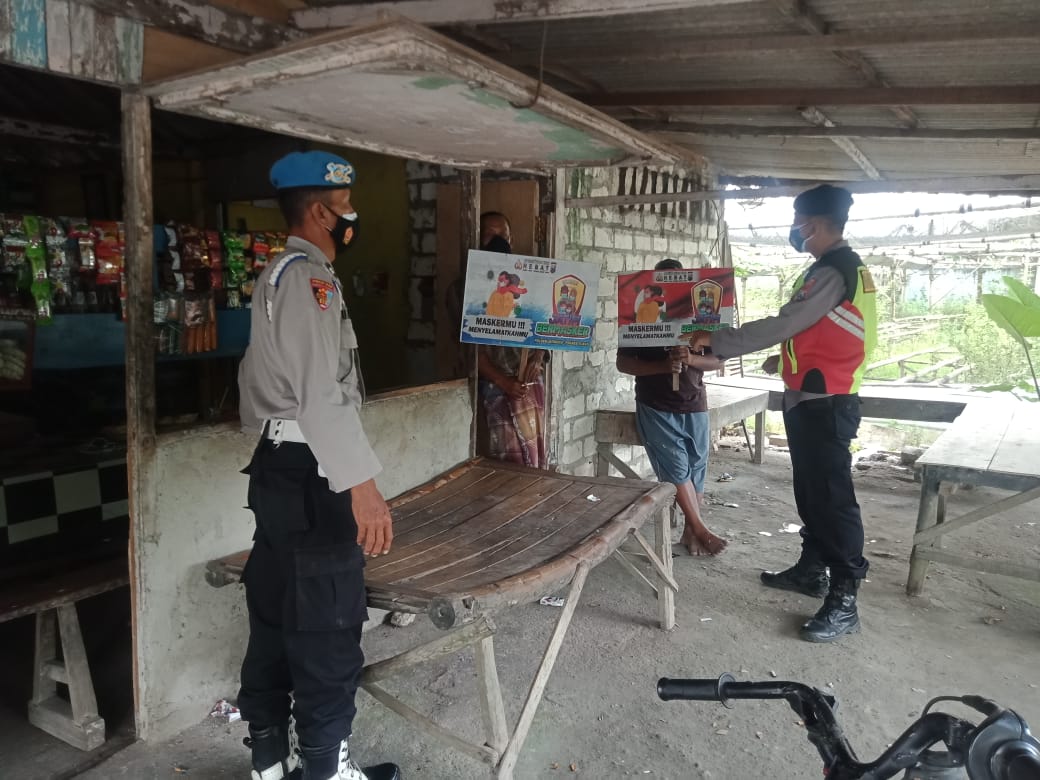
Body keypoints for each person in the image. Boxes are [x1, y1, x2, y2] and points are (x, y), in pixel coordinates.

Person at [236, 150, 400, 780]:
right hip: (313, 472)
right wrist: (362, 487)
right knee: (326, 624)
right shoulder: (308, 279)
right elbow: (319, 395)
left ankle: (269, 764)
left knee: (276, 616)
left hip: (281, 466)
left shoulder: (277, 274)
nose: (352, 216)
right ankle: (328, 771)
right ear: (319, 212)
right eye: (345, 205)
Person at [690, 184, 878, 643]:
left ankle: (845, 597)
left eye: (799, 225)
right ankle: (812, 570)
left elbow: (786, 323)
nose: (796, 232)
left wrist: (716, 340)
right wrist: (786, 359)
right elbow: (823, 329)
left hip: (826, 401)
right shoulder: (838, 268)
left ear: (812, 224)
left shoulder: (833, 271)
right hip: (812, 394)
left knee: (832, 498)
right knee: (811, 491)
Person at [617, 259, 728, 556]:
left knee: (696, 468)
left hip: (695, 403)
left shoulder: (701, 319)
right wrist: (663, 366)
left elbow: (718, 361)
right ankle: (701, 530)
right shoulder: (640, 318)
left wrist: (691, 359)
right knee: (676, 468)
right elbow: (624, 363)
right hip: (657, 404)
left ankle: (691, 534)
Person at [473, 212, 548, 467]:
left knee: (535, 456)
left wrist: (537, 358)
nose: (498, 242)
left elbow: (545, 330)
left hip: (529, 384)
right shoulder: (467, 290)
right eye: (489, 236)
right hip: (497, 386)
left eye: (503, 236)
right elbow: (472, 352)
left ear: (511, 240)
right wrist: (504, 382)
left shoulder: (530, 285)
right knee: (509, 461)